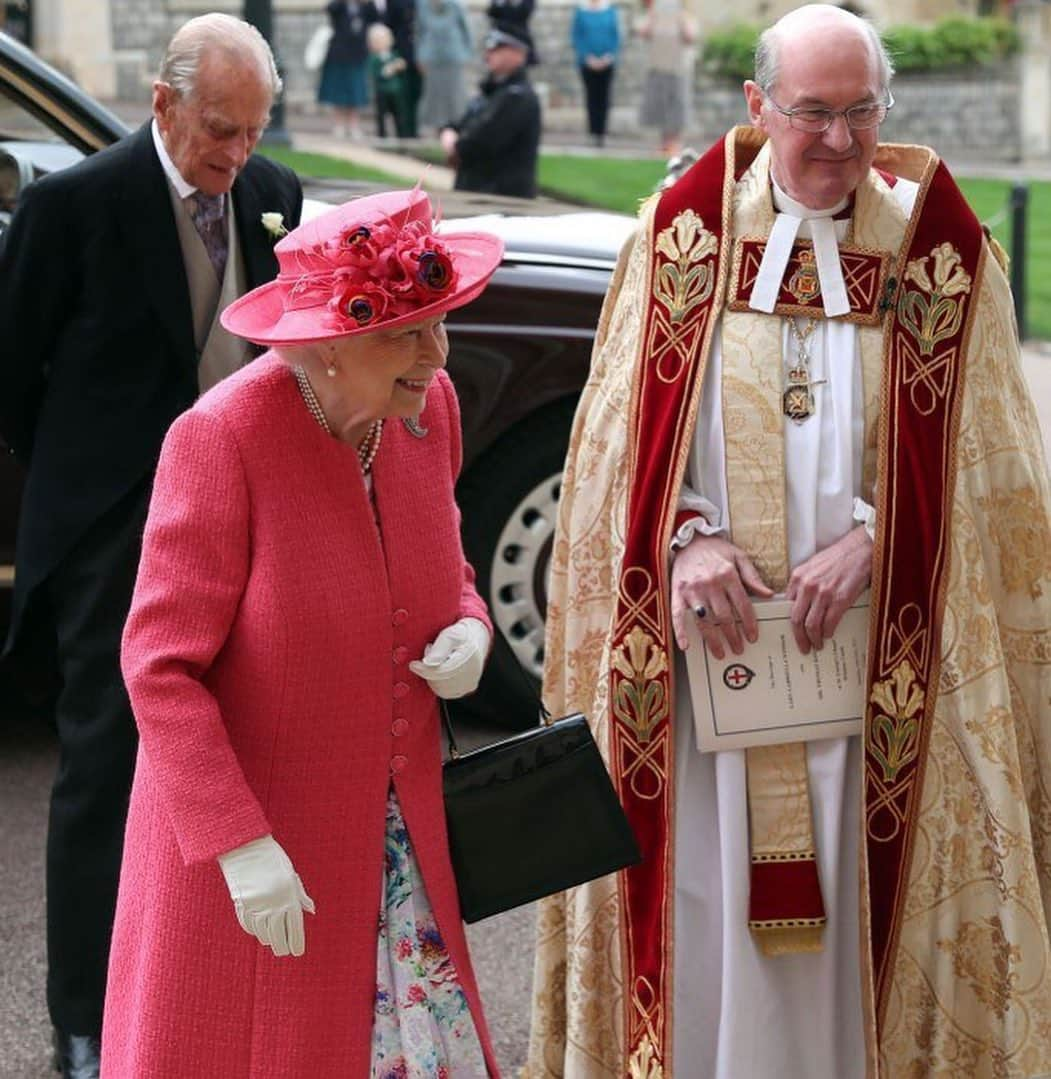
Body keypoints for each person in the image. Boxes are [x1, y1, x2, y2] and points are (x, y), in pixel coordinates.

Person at [526, 5, 1051, 1078]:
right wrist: (686, 537)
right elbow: (614, 454)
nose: (842, 140)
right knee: (706, 902)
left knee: (869, 896)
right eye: (813, 112)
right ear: (757, 107)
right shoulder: (676, 246)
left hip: (877, 670)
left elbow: (995, 469)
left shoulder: (940, 257)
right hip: (705, 677)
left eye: (864, 111)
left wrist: (878, 536)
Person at [100, 188, 505, 1076]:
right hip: (264, 855)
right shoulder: (220, 440)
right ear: (325, 347)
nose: (435, 355)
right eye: (406, 332)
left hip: (402, 855)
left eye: (439, 324)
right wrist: (237, 842)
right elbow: (159, 667)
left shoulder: (424, 413)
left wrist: (470, 629)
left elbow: (451, 569)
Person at [0, 14, 302, 1078]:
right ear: (164, 104)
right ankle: (84, 1016)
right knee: (107, 763)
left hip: (253, 526)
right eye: (220, 130)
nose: (236, 157)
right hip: (111, 535)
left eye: (253, 131)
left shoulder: (275, 192)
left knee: (241, 756)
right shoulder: (69, 207)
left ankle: (204, 995)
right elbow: (14, 381)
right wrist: (98, 504)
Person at [440, 22, 541, 199]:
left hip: (502, 197)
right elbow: (461, 124)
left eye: (497, 48)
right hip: (478, 191)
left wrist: (456, 145)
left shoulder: (518, 97)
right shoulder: (491, 92)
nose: (488, 54)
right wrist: (450, 132)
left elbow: (481, 142)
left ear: (519, 54)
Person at [637, 0, 696, 157]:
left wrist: (680, 16)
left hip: (677, 69)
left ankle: (675, 144)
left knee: (676, 107)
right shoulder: (653, 14)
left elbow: (690, 36)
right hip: (657, 67)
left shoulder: (684, 15)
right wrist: (653, 14)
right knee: (660, 107)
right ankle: (664, 144)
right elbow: (643, 32)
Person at [318, 0, 380, 139]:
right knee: (338, 91)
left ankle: (353, 125)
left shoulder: (365, 7)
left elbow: (376, 16)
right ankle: (339, 124)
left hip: (358, 54)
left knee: (356, 92)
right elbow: (330, 9)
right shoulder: (340, 5)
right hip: (339, 53)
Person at [416, 0, 473, 134]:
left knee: (455, 94)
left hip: (453, 55)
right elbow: (420, 32)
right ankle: (438, 129)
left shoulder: (455, 5)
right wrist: (419, 56)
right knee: (434, 95)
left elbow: (465, 30)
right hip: (431, 57)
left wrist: (467, 54)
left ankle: (457, 126)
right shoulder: (423, 5)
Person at [571, 0, 620, 147]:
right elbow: (577, 36)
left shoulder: (610, 10)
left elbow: (615, 36)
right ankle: (592, 132)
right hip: (587, 62)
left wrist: (608, 56)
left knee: (604, 97)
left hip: (607, 62)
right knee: (591, 97)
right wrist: (587, 57)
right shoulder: (581, 11)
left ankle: (601, 132)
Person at [367, 21, 412, 137]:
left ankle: (402, 135)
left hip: (396, 91)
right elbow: (375, 74)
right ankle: (382, 135)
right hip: (382, 91)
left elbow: (402, 68)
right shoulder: (374, 58)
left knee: (399, 115)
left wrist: (400, 65)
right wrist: (388, 70)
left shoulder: (394, 54)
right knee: (381, 116)